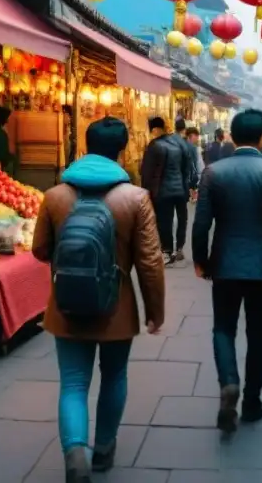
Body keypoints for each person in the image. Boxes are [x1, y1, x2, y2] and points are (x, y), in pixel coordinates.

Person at [32, 117, 165, 482]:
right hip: (117, 308)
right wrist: (155, 311)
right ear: (121, 149)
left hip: (66, 304)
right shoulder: (136, 199)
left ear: (86, 145)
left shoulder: (56, 196)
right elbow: (150, 262)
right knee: (114, 375)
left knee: (73, 382)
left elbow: (39, 249)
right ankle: (104, 448)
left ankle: (76, 452)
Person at [192, 109, 262, 433]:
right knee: (258, 333)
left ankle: (229, 382)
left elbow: (201, 225)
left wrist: (201, 260)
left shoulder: (213, 172)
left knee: (223, 329)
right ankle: (251, 402)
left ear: (232, 136)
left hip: (225, 263)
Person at [140, 117, 192, 265]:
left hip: (163, 191)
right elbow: (186, 166)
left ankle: (167, 251)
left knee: (165, 221)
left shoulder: (155, 145)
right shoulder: (179, 143)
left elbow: (147, 172)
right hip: (180, 189)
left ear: (155, 129)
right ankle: (180, 247)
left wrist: (146, 191)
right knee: (182, 218)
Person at [186, 127, 204, 196]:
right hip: (193, 184)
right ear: (191, 136)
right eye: (196, 136)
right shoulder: (195, 149)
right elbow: (200, 168)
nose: (197, 139)